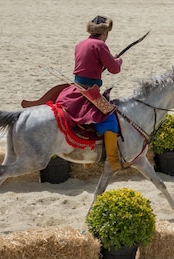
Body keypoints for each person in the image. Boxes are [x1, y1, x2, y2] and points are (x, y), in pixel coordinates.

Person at [56, 15, 123, 171]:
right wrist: (118, 61)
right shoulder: (100, 45)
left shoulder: (81, 44)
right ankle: (113, 162)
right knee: (110, 121)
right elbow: (114, 69)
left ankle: (88, 156)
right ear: (105, 32)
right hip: (89, 92)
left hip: (75, 88)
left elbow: (89, 65)